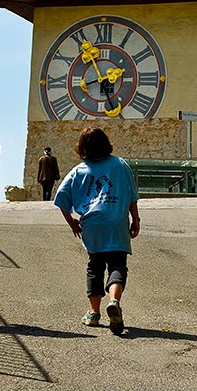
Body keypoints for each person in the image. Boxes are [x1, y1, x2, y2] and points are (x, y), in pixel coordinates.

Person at [54, 127, 139, 335]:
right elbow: (132, 196)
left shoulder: (78, 171)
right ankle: (114, 301)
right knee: (118, 264)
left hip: (92, 224)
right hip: (117, 221)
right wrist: (135, 219)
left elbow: (61, 200)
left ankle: (93, 313)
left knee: (95, 266)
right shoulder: (120, 165)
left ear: (83, 148)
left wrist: (73, 223)